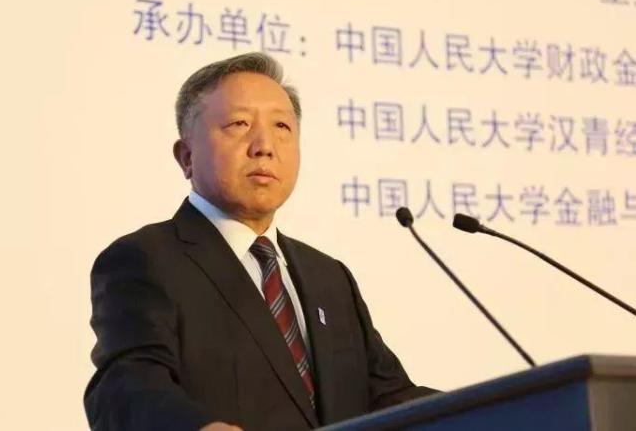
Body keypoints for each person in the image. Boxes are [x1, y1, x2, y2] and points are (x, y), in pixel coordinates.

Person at [84, 53, 436, 431]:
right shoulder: (146, 259)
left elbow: (389, 396)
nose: (264, 146)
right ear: (186, 156)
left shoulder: (329, 277)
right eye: (239, 124)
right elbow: (126, 385)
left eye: (282, 126)